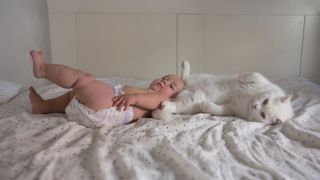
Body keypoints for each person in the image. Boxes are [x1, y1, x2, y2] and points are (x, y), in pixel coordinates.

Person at [28, 51, 184, 128]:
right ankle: (43, 106)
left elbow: (152, 101)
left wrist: (134, 98)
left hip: (110, 108)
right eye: (164, 78)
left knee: (83, 79)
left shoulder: (161, 100)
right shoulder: (147, 91)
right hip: (96, 111)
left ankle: (42, 69)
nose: (164, 82)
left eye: (171, 86)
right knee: (73, 95)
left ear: (174, 97)